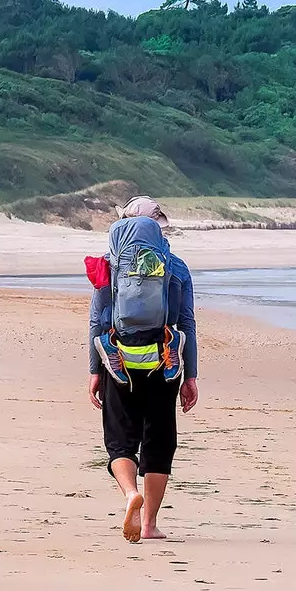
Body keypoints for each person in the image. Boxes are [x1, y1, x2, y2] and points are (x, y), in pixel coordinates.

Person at [87, 196, 199, 543]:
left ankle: (128, 494)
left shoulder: (110, 265)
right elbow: (187, 322)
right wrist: (191, 375)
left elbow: (96, 321)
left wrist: (94, 370)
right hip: (165, 358)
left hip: (117, 357)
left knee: (120, 440)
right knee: (159, 440)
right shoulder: (176, 267)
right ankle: (149, 525)